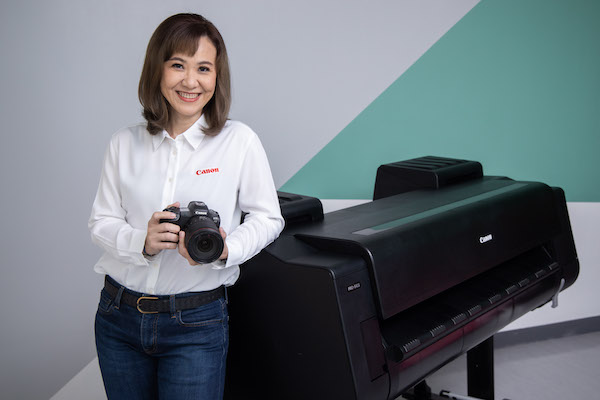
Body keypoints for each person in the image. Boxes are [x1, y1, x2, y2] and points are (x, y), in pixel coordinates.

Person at [89, 13, 284, 400]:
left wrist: (226, 249)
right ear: (157, 70)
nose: (191, 81)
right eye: (178, 65)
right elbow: (101, 221)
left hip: (196, 323)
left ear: (217, 77)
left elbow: (268, 217)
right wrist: (141, 242)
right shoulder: (123, 143)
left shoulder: (239, 141)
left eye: (203, 68)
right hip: (118, 317)